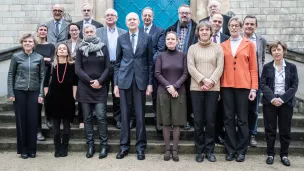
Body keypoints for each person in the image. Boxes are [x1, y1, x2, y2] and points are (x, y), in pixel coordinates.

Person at [114, 12, 153, 161]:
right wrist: (116, 84)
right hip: (124, 81)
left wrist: (150, 83)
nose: (132, 21)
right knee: (124, 116)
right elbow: (117, 63)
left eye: (134, 19)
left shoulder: (147, 38)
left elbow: (150, 62)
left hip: (141, 81)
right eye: (129, 19)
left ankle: (140, 147)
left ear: (139, 22)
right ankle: (124, 147)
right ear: (126, 22)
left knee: (140, 116)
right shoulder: (121, 38)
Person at [220, 17, 258, 162]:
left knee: (242, 119)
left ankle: (242, 150)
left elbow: (253, 68)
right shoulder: (223, 45)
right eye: (231, 25)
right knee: (228, 118)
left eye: (236, 25)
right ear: (228, 28)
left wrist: (254, 88)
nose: (234, 28)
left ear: (241, 28)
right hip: (226, 86)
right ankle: (230, 149)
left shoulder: (249, 45)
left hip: (243, 86)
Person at [188, 21, 224, 162]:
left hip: (213, 89)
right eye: (201, 29)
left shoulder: (218, 48)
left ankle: (210, 150)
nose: (204, 32)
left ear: (211, 32)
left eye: (206, 30)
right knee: (198, 120)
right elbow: (191, 67)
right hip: (196, 88)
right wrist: (203, 80)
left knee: (210, 120)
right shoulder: (192, 48)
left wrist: (211, 82)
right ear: (198, 32)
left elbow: (220, 67)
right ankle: (199, 151)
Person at [7, 33, 45, 159]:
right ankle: (23, 149)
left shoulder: (39, 57)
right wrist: (11, 92)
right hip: (19, 91)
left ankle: (32, 149)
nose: (27, 43)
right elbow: (11, 74)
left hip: (34, 91)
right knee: (21, 120)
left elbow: (42, 77)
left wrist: (41, 94)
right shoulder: (16, 57)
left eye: (30, 41)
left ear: (34, 44)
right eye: (25, 41)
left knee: (33, 120)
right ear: (22, 43)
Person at [75, 24, 110, 159]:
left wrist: (99, 81)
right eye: (87, 31)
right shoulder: (80, 48)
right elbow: (78, 69)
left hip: (100, 87)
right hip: (85, 88)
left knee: (101, 117)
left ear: (96, 32)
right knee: (87, 118)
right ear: (84, 33)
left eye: (91, 31)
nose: (89, 33)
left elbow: (108, 67)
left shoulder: (103, 47)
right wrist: (90, 81)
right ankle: (90, 145)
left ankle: (103, 146)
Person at [261, 41, 298, 166]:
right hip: (270, 102)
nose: (276, 52)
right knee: (270, 129)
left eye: (279, 49)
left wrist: (282, 99)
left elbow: (294, 85)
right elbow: (263, 84)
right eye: (274, 50)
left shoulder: (292, 67)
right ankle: (270, 154)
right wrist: (273, 99)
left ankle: (284, 155)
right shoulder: (267, 67)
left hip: (286, 103)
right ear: (271, 52)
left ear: (284, 51)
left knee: (285, 130)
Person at [155, 31, 188, 162]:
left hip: (179, 92)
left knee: (177, 121)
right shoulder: (160, 56)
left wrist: (176, 86)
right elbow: (157, 73)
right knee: (166, 122)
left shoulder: (183, 56)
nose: (170, 41)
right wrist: (169, 86)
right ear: (165, 41)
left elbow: (185, 73)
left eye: (172, 39)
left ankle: (175, 150)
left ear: (177, 41)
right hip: (163, 91)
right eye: (168, 39)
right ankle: (167, 149)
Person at [166, 4, 197, 130]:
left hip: (192, 67)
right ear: (178, 14)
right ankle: (174, 119)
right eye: (182, 13)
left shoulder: (197, 29)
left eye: (187, 13)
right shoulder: (171, 28)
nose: (184, 15)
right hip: (175, 67)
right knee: (175, 94)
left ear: (190, 14)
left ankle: (187, 118)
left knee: (188, 95)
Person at [44, 43, 77, 158]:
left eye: (64, 49)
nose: (62, 50)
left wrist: (73, 97)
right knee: (56, 126)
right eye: (60, 49)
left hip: (67, 99)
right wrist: (46, 95)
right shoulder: (52, 66)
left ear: (68, 52)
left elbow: (75, 83)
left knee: (67, 125)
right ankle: (57, 147)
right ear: (56, 52)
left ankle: (65, 146)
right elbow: (45, 82)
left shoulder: (73, 65)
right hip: (54, 99)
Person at [96, 8, 127, 129]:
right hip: (103, 66)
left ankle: (118, 119)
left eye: (112, 15)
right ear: (105, 17)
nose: (110, 17)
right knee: (101, 92)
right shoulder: (98, 32)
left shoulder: (123, 32)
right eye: (107, 15)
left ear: (116, 18)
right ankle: (101, 119)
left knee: (117, 94)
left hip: (118, 66)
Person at [140, 7, 166, 132]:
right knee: (138, 95)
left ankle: (158, 121)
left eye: (149, 15)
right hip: (139, 69)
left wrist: (148, 60)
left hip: (154, 67)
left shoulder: (160, 31)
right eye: (145, 15)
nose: (147, 17)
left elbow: (160, 49)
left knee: (156, 96)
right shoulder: (138, 31)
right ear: (141, 16)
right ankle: (137, 120)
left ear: (153, 17)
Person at [243, 15, 267, 147]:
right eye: (247, 24)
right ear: (243, 25)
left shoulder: (261, 40)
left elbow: (262, 59)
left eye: (252, 24)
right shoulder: (237, 39)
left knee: (253, 109)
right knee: (240, 109)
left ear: (256, 26)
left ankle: (252, 134)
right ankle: (241, 133)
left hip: (255, 79)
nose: (249, 26)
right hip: (240, 79)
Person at [210, 13, 229, 146]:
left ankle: (219, 133)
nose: (216, 23)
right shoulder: (202, 36)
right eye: (214, 21)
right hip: (204, 80)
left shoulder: (226, 39)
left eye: (219, 21)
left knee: (220, 109)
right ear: (210, 21)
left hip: (222, 79)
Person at [35, 24, 56, 140]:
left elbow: (53, 60)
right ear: (37, 32)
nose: (43, 32)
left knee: (48, 101)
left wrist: (45, 60)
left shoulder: (51, 46)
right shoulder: (33, 45)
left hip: (48, 77)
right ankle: (38, 131)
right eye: (41, 30)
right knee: (37, 106)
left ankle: (48, 119)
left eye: (45, 30)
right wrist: (44, 59)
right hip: (35, 78)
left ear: (47, 32)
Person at [62, 23, 83, 129]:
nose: (74, 32)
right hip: (68, 72)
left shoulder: (84, 43)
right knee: (68, 96)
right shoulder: (64, 43)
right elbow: (62, 55)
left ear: (79, 31)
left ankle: (81, 119)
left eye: (76, 30)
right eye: (72, 30)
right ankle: (68, 118)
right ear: (69, 31)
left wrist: (71, 57)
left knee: (80, 95)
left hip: (80, 73)